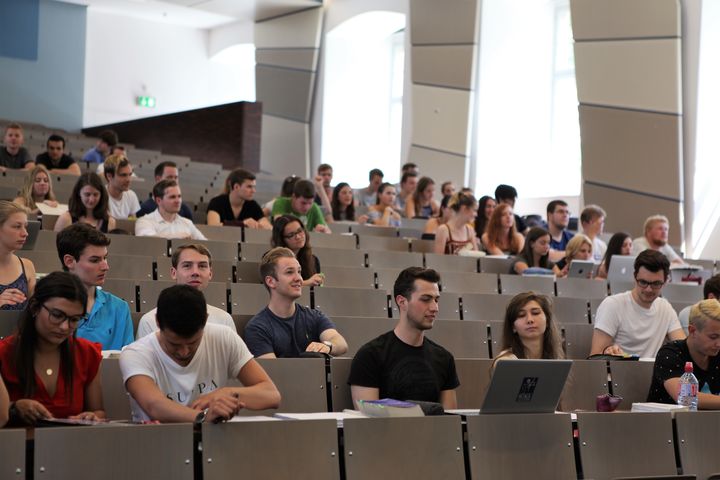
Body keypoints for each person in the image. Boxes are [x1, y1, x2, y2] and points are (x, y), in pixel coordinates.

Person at [120, 285, 280, 423]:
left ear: (205, 320)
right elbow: (154, 405)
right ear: (157, 322)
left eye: (193, 343)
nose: (184, 352)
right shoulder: (135, 353)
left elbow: (271, 394)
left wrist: (225, 393)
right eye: (174, 344)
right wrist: (202, 417)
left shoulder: (224, 337)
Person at [0, 272, 104, 424]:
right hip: (18, 445)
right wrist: (14, 408)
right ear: (35, 307)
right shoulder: (5, 352)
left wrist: (90, 417)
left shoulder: (86, 353)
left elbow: (98, 411)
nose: (64, 327)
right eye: (57, 315)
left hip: (71, 443)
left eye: (74, 320)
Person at [348, 267, 459, 409]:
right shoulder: (370, 355)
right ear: (402, 302)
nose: (434, 307)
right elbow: (370, 422)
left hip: (433, 431)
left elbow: (449, 420)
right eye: (426, 299)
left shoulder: (445, 358)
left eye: (436, 300)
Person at [244, 247, 348, 358]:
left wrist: (327, 346)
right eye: (289, 272)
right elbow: (273, 371)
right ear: (271, 281)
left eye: (299, 272)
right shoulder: (257, 328)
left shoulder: (314, 316)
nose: (299, 278)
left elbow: (340, 343)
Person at [590, 250, 685, 358]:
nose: (649, 289)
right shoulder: (613, 305)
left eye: (656, 284)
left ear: (666, 282)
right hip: (619, 372)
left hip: (652, 373)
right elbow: (595, 357)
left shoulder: (665, 308)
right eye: (643, 282)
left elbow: (683, 349)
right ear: (634, 277)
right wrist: (610, 354)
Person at [56, 223, 134, 350]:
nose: (105, 267)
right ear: (69, 261)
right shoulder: (49, 306)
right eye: (95, 260)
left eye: (105, 258)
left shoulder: (120, 308)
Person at [136, 243, 236, 338]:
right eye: (187, 266)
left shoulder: (224, 320)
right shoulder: (149, 321)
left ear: (210, 274)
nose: (195, 272)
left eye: (202, 266)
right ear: (174, 273)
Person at [647, 299, 720, 407]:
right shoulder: (669, 354)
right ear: (692, 331)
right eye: (713, 337)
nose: (718, 344)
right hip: (665, 422)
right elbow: (686, 398)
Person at [493, 292, 564, 363]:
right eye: (521, 315)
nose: (530, 320)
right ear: (513, 326)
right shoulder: (505, 361)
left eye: (535, 313)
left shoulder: (556, 358)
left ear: (547, 321)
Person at [135, 180, 207, 240]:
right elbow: (147, 240)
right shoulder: (144, 221)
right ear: (158, 201)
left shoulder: (187, 223)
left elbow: (206, 244)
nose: (178, 201)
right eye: (172, 197)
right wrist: (177, 237)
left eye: (179, 196)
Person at [0, 201, 36, 310]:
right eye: (17, 226)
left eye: (25, 226)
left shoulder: (27, 265)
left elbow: (34, 310)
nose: (25, 233)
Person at [271, 216, 324, 287]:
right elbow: (275, 286)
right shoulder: (272, 259)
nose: (298, 237)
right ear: (281, 239)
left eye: (300, 231)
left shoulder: (313, 260)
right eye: (291, 235)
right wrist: (308, 283)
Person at [103, 154, 140, 220]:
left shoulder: (131, 195)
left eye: (130, 174)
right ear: (109, 176)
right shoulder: (100, 196)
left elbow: (131, 224)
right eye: (123, 175)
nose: (128, 180)